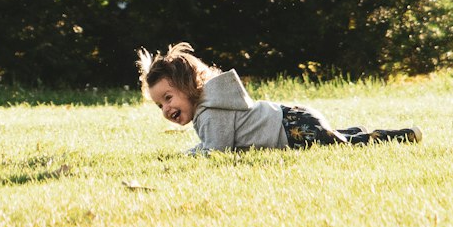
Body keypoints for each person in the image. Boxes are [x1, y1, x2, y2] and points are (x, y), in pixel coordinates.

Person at [137, 42, 423, 154]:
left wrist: (189, 155)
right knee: (333, 140)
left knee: (340, 147)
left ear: (187, 86)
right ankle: (357, 131)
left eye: (168, 97)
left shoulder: (211, 111)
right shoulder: (210, 108)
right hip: (291, 120)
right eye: (160, 104)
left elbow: (217, 150)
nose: (166, 108)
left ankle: (400, 135)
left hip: (292, 129)